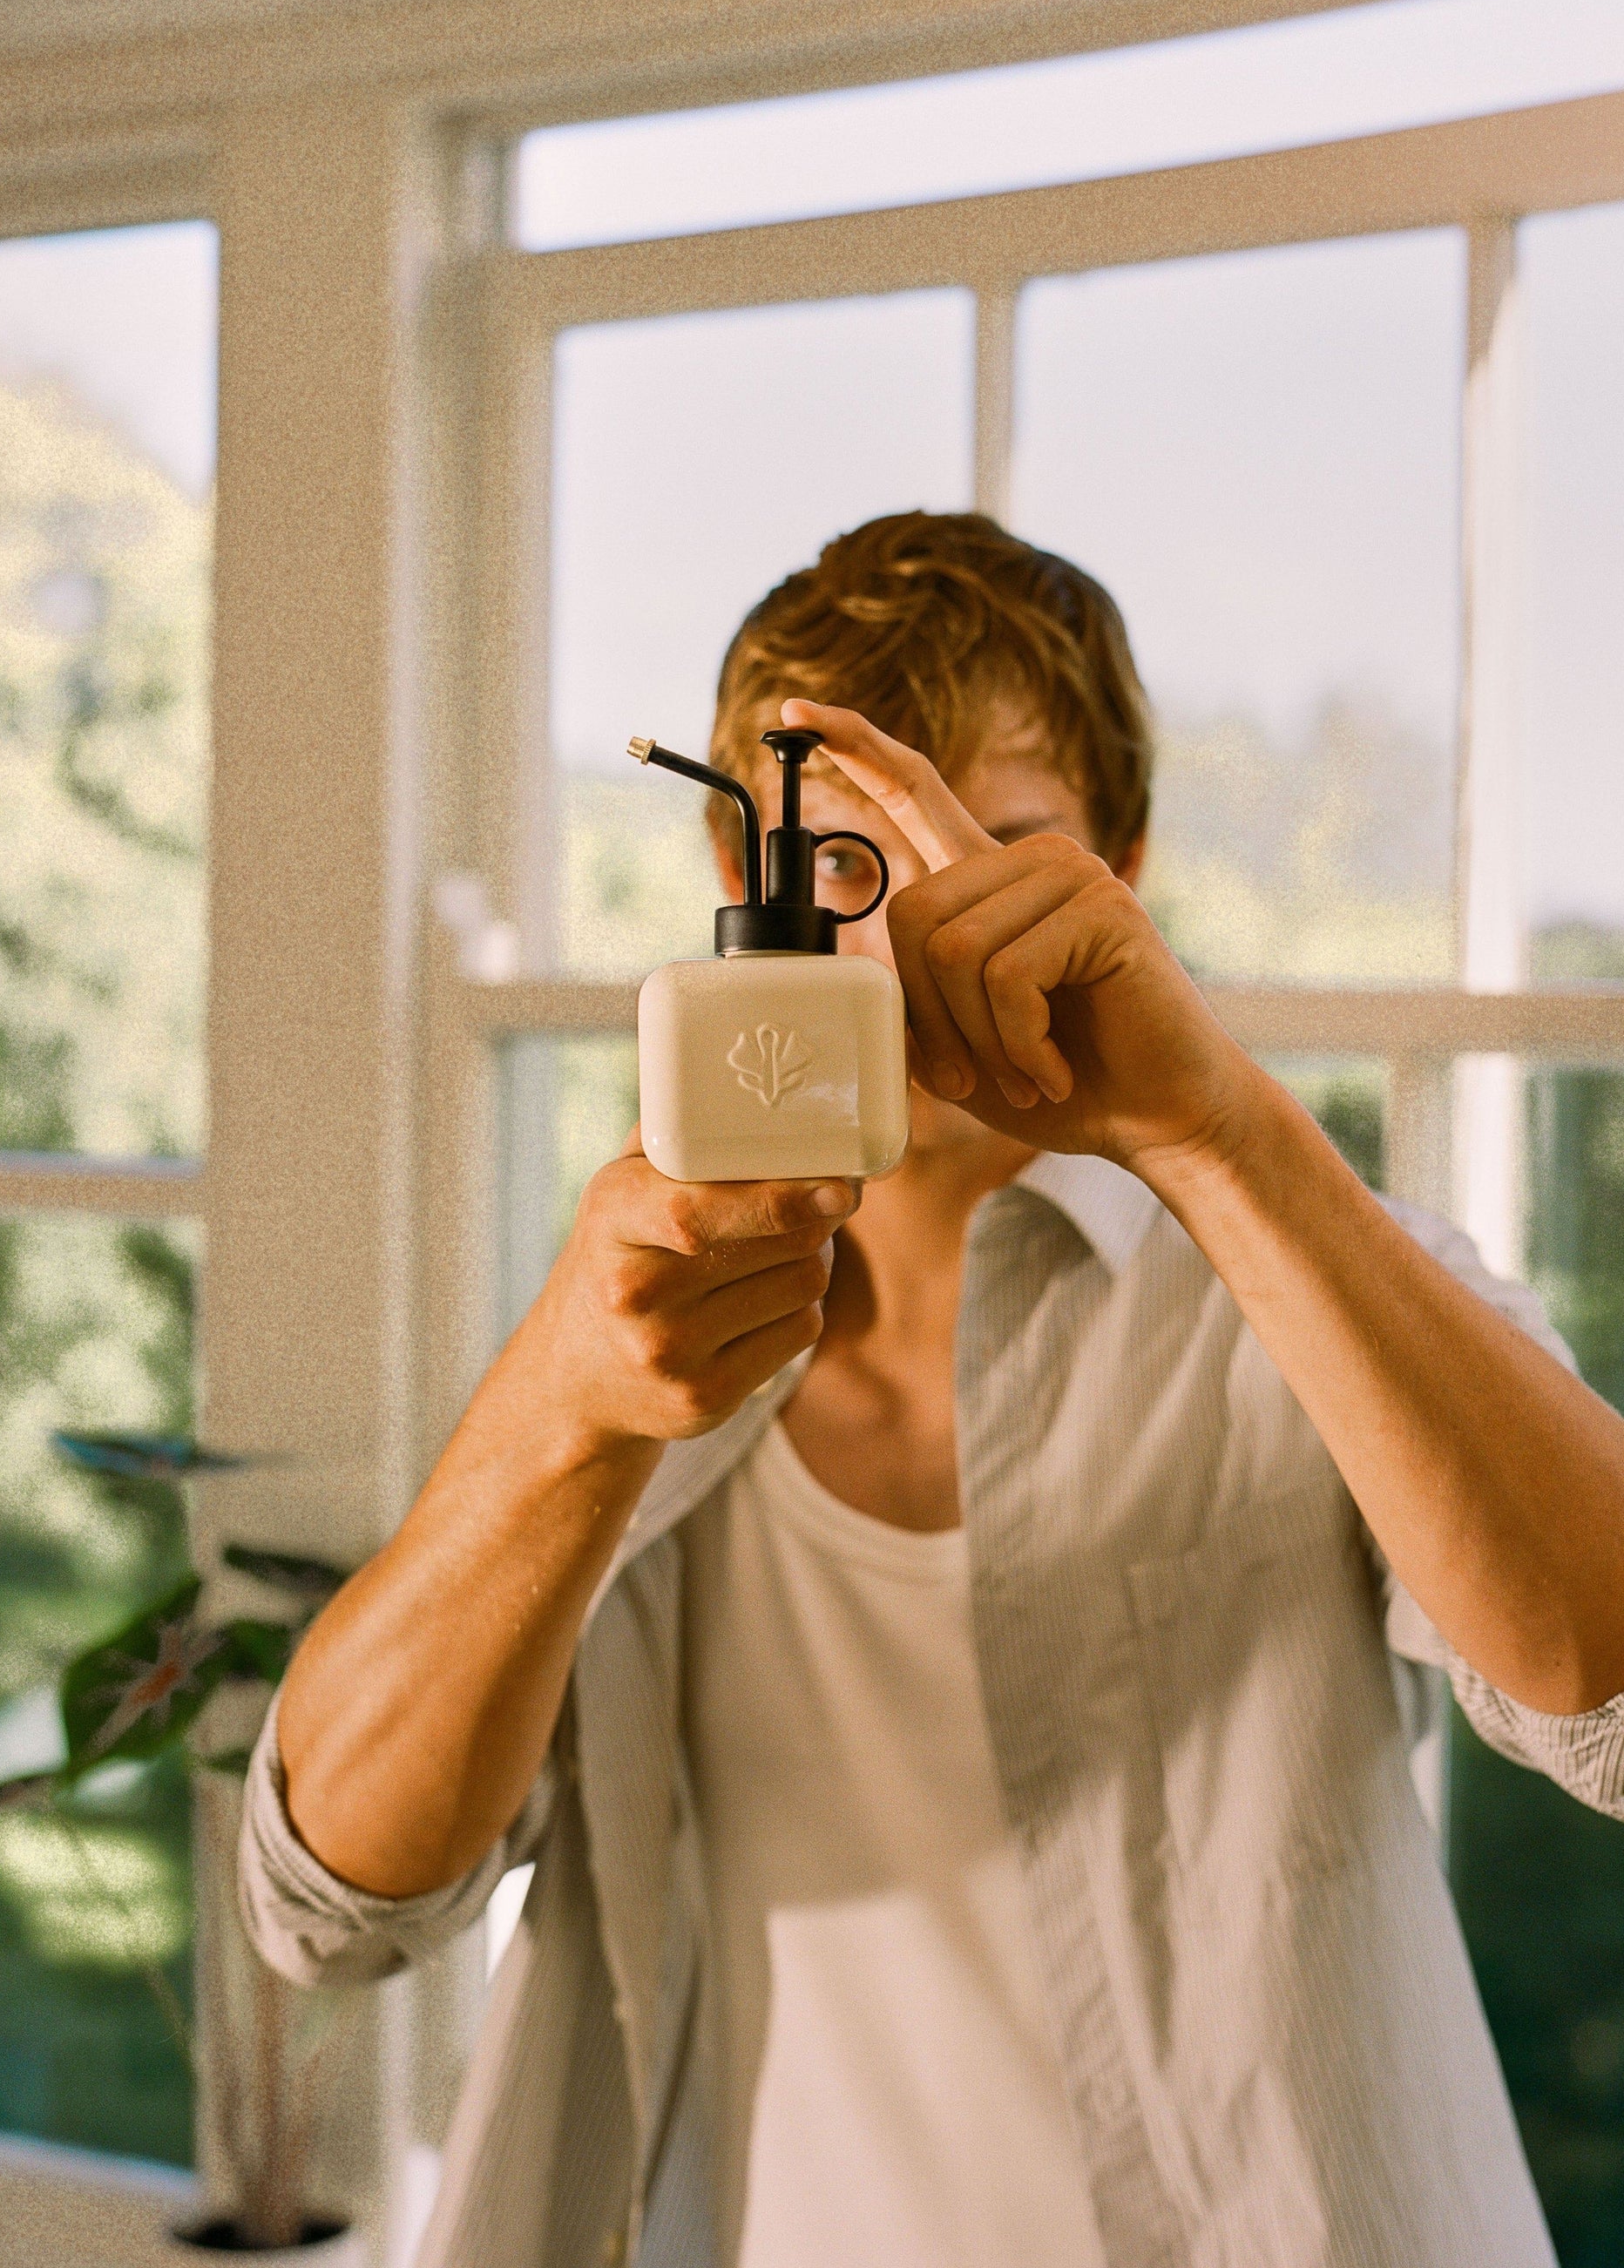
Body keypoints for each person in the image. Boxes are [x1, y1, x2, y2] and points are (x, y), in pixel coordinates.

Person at [242, 511, 1624, 2268]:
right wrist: (562, 1414)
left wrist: (1216, 1132)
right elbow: (329, 1912)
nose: (912, 945)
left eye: (991, 858)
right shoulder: (628, 1327)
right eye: (837, 872)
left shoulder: (1314, 1279)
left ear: (1121, 867)